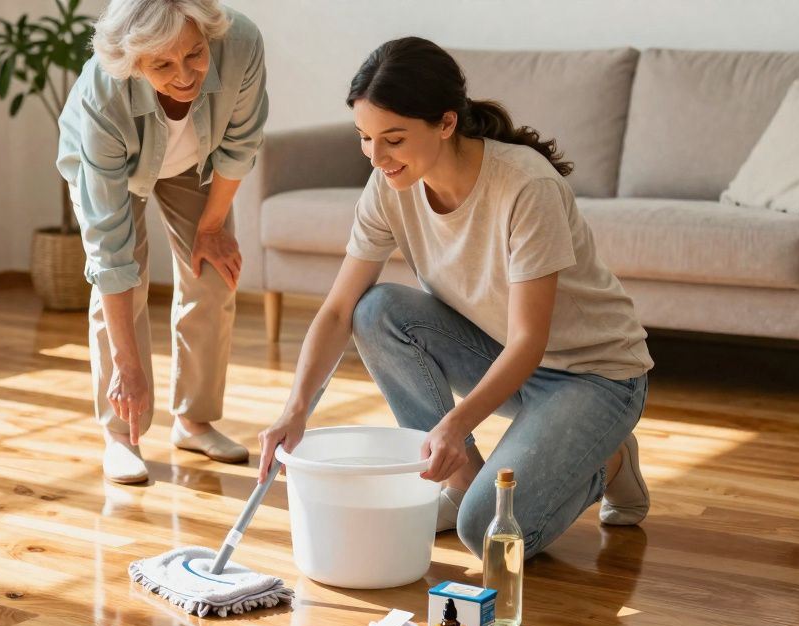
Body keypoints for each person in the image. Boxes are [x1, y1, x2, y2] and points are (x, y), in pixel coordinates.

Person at [257, 37, 654, 559]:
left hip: (595, 376)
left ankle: (609, 461)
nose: (376, 158)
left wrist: (454, 423)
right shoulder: (387, 188)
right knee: (375, 311)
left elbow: (530, 340)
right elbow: (337, 310)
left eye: (393, 139)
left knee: (487, 534)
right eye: (365, 138)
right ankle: (463, 481)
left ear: (446, 124)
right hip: (503, 357)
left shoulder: (525, 187)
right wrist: (295, 409)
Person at [58, 0, 267, 483]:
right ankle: (121, 433)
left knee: (214, 274)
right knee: (121, 284)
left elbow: (240, 145)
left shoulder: (240, 43)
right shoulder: (103, 95)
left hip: (196, 159)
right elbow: (109, 252)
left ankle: (194, 420)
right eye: (162, 65)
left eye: (195, 55)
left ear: (208, 36)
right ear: (134, 64)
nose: (185, 76)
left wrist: (211, 229)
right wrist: (129, 368)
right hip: (110, 165)